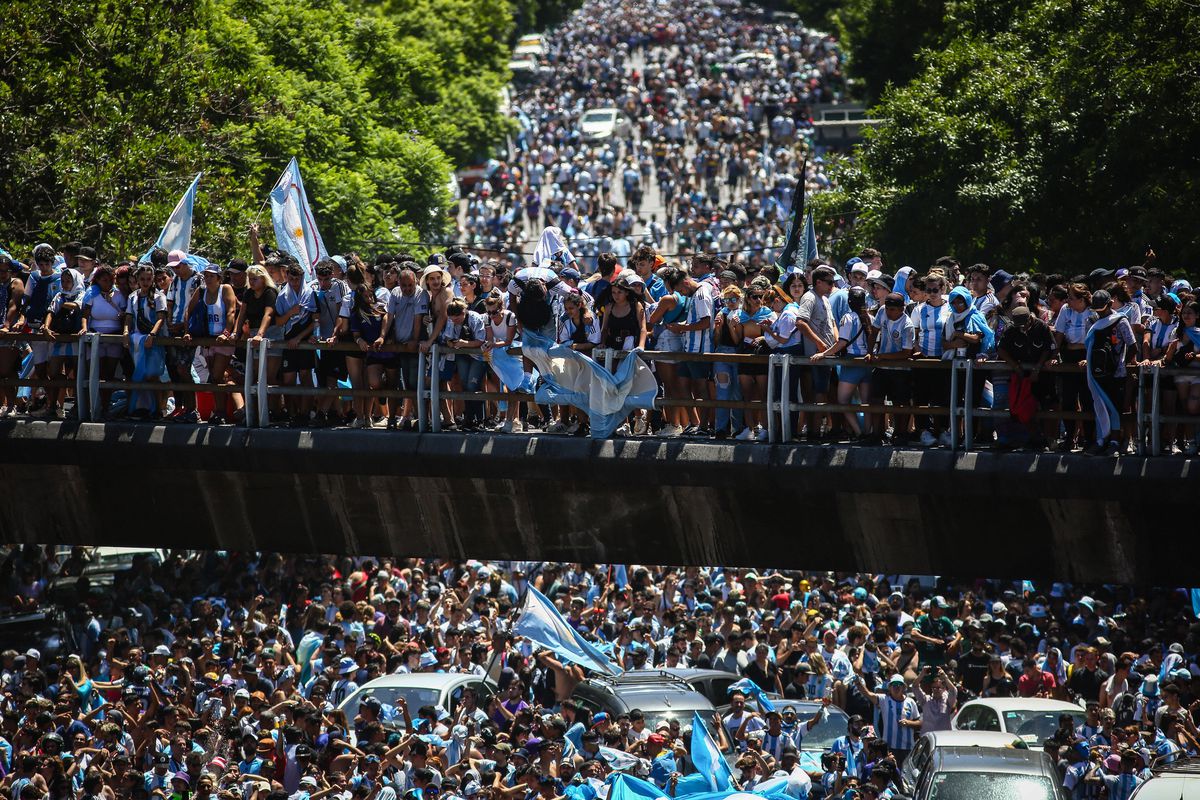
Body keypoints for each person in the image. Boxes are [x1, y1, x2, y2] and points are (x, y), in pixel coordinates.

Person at [184, 263, 239, 425]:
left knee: (216, 374)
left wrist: (227, 332)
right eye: (206, 276)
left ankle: (221, 411)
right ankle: (218, 411)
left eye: (211, 276)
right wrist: (187, 331)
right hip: (207, 340)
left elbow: (231, 310)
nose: (208, 279)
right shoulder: (201, 291)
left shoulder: (226, 289)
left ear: (218, 278)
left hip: (223, 340)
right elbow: (189, 310)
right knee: (215, 378)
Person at [80, 265, 127, 419]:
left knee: (110, 373)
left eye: (110, 280)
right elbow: (85, 315)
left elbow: (125, 315)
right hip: (96, 336)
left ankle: (106, 407)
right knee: (96, 372)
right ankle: (95, 406)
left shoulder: (119, 295)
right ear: (98, 280)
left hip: (114, 337)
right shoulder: (91, 294)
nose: (108, 283)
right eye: (104, 280)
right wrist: (84, 328)